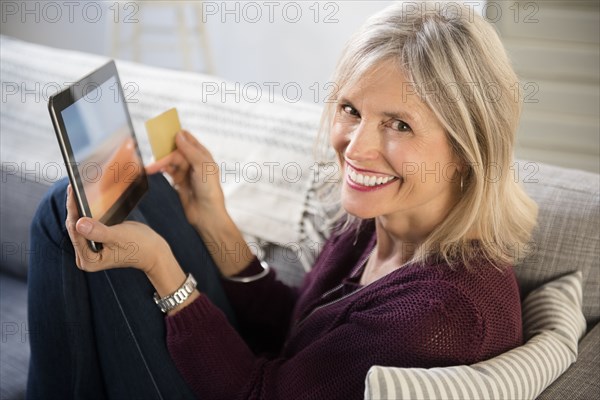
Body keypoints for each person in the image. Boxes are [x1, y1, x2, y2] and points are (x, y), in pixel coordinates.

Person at [27, 2, 538, 399]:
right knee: (138, 194)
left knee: (62, 214)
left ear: (469, 151)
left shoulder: (442, 316)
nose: (355, 149)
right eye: (350, 109)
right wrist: (216, 222)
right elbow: (296, 330)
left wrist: (164, 270)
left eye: (399, 125)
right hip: (263, 375)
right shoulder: (378, 219)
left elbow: (260, 391)